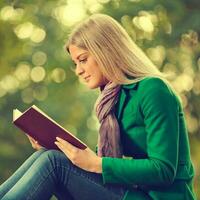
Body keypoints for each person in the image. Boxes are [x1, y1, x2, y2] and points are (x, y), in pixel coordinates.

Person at [0, 14, 196, 200]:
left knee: (53, 162)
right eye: (75, 63)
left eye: (83, 60)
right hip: (129, 191)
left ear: (106, 52)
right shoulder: (111, 100)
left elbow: (163, 170)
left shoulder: (153, 90)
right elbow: (103, 159)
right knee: (48, 154)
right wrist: (55, 144)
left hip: (156, 197)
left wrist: (96, 164)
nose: (78, 70)